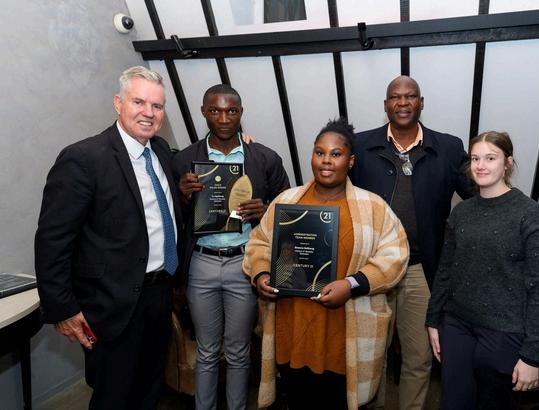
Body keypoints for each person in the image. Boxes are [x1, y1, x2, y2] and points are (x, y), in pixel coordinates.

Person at [35, 66, 181, 409]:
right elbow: (53, 240)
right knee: (114, 397)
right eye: (139, 102)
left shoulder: (161, 151)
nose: (148, 112)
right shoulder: (83, 158)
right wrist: (63, 308)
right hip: (112, 304)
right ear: (118, 103)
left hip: (159, 295)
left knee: (150, 389)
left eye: (157, 106)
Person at [243, 118, 410, 410]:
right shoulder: (287, 200)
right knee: (296, 400)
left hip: (345, 336)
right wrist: (261, 274)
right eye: (319, 152)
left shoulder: (373, 207)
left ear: (350, 161)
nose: (326, 161)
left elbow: (395, 255)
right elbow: (258, 243)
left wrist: (352, 284)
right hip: (292, 328)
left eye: (336, 154)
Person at [349, 75, 473, 409]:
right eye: (395, 97)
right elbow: (329, 179)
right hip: (372, 270)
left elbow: (477, 192)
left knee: (419, 358)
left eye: (410, 96)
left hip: (421, 270)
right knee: (371, 356)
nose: (402, 103)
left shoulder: (448, 147)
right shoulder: (359, 145)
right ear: (386, 104)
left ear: (421, 103)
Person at [172, 84, 290, 410]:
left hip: (244, 263)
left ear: (241, 113)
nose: (224, 119)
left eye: (231, 111)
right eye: (215, 111)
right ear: (203, 112)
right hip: (201, 264)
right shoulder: (183, 160)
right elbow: (168, 217)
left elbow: (288, 210)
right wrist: (183, 197)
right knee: (207, 350)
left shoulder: (264, 158)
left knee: (238, 351)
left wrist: (265, 210)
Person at [425, 131, 539, 410]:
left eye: (490, 158)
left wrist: (532, 356)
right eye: (475, 158)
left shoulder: (531, 215)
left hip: (505, 331)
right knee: (454, 403)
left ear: (507, 163)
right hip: (457, 325)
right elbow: (446, 270)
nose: (480, 165)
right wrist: (433, 320)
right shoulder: (461, 213)